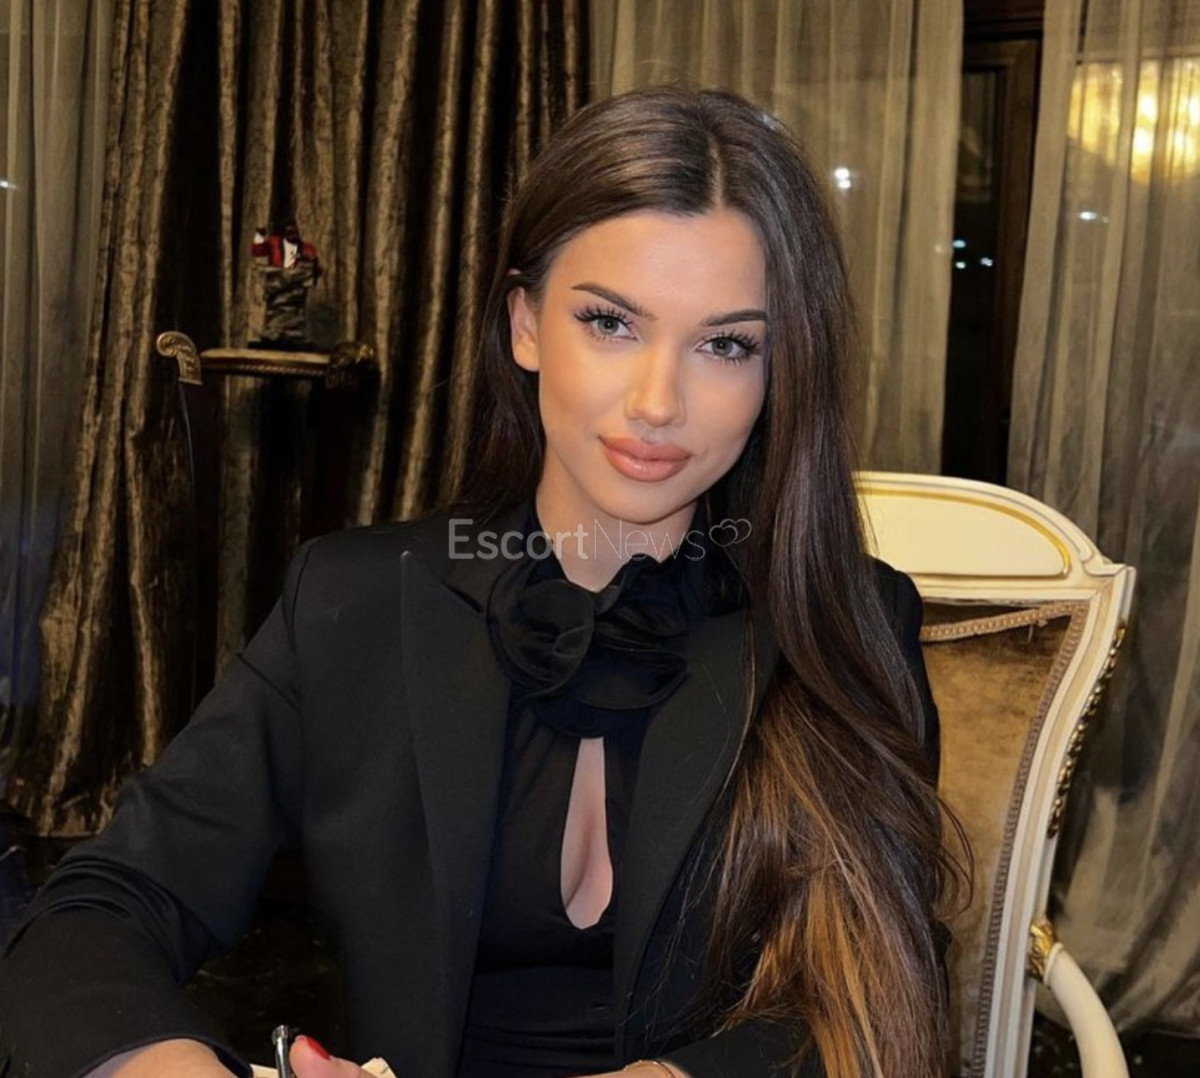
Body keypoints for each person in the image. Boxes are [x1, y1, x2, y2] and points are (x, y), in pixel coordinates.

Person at [0, 86, 958, 1078]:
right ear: (526, 323)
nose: (657, 402)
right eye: (611, 323)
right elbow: (96, 913)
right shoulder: (352, 606)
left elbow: (882, 994)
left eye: (726, 344)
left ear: (777, 370)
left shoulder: (844, 622)